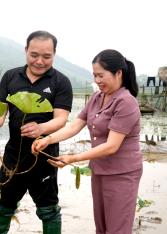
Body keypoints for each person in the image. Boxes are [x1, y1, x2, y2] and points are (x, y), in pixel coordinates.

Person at [32, 49, 142, 234]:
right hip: (99, 170)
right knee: (102, 227)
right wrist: (48, 139)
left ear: (118, 73)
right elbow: (75, 126)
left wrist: (73, 158)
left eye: (101, 75)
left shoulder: (126, 102)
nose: (97, 81)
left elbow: (111, 146)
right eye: (94, 75)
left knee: (117, 230)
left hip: (122, 174)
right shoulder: (97, 98)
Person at [0, 30, 73, 234]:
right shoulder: (10, 76)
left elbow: (61, 118)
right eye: (34, 55)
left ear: (54, 54)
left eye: (46, 56)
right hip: (14, 154)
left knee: (48, 208)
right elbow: (1, 110)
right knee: (4, 205)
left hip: (44, 154)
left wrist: (41, 128)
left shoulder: (61, 81)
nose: (40, 61)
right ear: (26, 51)